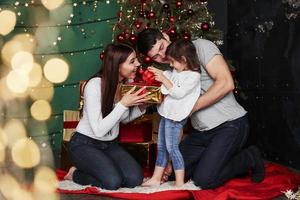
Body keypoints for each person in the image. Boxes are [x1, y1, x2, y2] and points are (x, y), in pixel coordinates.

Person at [137, 28, 265, 189]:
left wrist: (188, 108)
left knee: (204, 180)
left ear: (165, 35)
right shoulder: (169, 72)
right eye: (155, 56)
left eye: (161, 48)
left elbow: (226, 82)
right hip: (201, 133)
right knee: (177, 171)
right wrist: (169, 159)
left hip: (230, 125)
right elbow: (174, 121)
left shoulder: (200, 47)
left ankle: (249, 157)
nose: (162, 57)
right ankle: (214, 159)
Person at [64, 43, 149, 190]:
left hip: (109, 145)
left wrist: (142, 106)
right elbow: (98, 130)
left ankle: (102, 168)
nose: (138, 64)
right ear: (117, 65)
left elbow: (123, 119)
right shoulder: (94, 85)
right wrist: (123, 104)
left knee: (134, 179)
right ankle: (75, 174)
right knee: (112, 182)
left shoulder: (123, 85)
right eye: (132, 61)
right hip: (84, 144)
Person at [142, 39, 201, 187]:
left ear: (184, 60)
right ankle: (156, 177)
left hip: (176, 118)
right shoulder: (176, 70)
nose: (170, 64)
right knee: (161, 146)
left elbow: (178, 92)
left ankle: (179, 182)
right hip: (167, 115)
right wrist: (161, 74)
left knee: (172, 148)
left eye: (173, 62)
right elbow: (169, 79)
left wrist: (164, 78)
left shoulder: (193, 76)